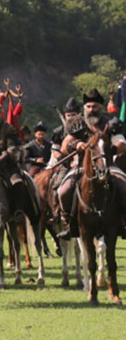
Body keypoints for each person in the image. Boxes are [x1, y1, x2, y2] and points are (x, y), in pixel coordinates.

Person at [54, 89, 126, 238]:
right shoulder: (77, 123)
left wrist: (111, 148)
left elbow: (121, 143)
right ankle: (69, 223)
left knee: (124, 186)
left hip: (108, 166)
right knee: (63, 191)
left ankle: (123, 222)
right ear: (84, 108)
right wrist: (77, 144)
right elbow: (64, 145)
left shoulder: (111, 123)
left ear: (101, 107)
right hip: (82, 167)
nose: (91, 109)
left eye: (95, 106)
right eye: (88, 106)